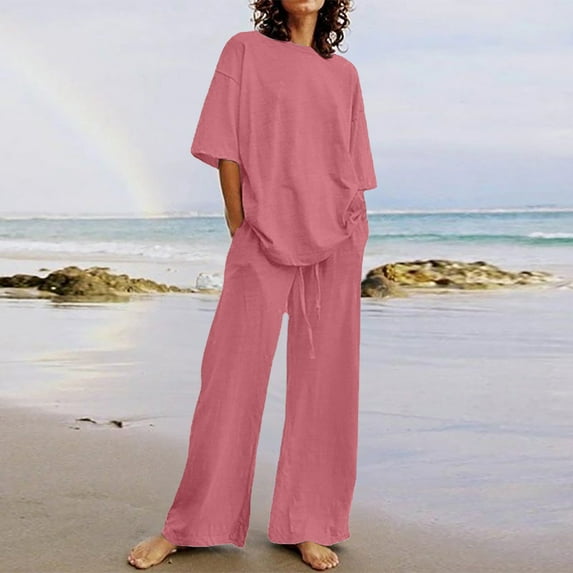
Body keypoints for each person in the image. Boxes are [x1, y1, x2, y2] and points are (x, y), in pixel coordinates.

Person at [127, 0, 377, 570]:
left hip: (339, 235)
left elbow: (354, 166)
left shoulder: (345, 74)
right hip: (261, 233)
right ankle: (192, 523)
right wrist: (240, 222)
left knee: (327, 383)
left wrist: (353, 227)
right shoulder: (244, 50)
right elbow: (227, 146)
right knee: (229, 379)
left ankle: (310, 522)